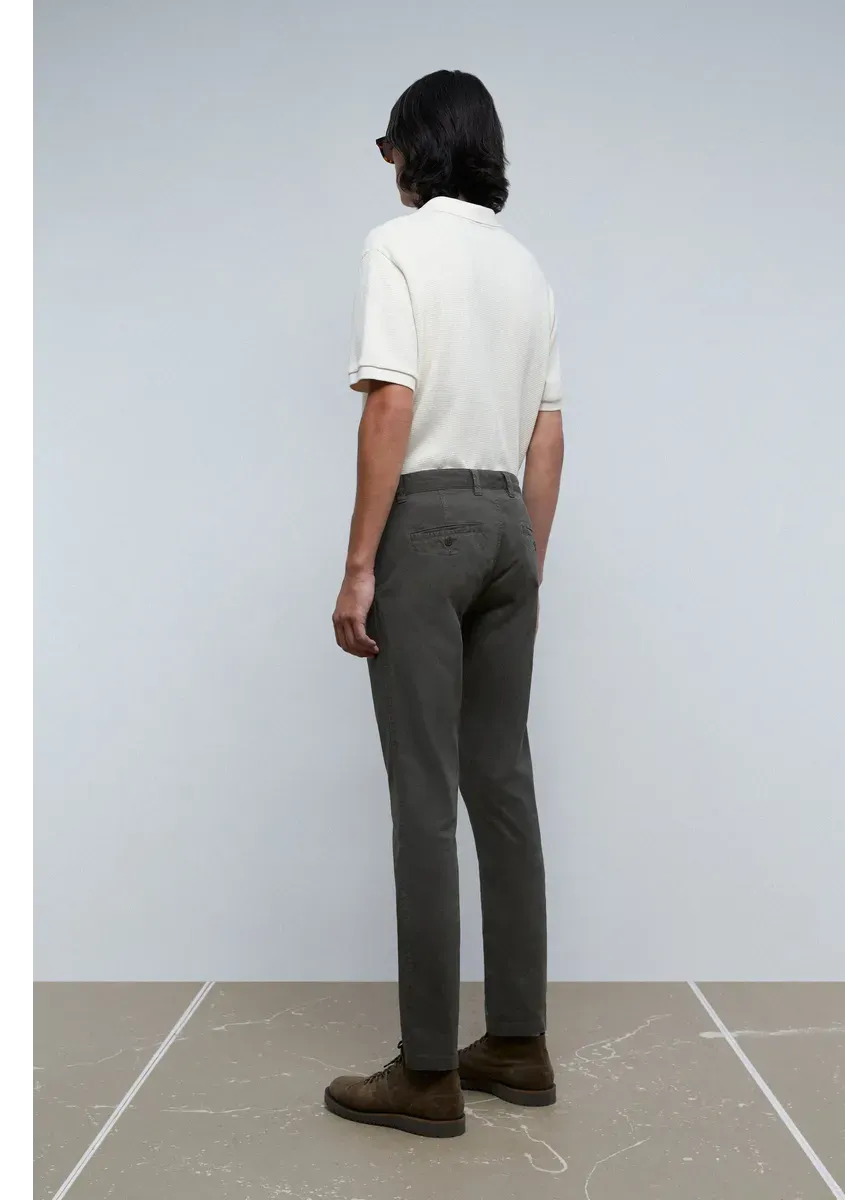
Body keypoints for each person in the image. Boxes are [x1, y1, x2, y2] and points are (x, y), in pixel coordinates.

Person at [326, 69, 565, 1139]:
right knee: (502, 787)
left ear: (414, 151)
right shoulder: (527, 268)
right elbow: (548, 434)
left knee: (424, 798)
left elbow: (392, 401)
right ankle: (516, 1042)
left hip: (426, 524)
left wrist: (360, 566)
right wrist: (527, 561)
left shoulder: (398, 245)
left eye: (391, 148)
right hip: (511, 523)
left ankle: (427, 1072)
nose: (388, 166)